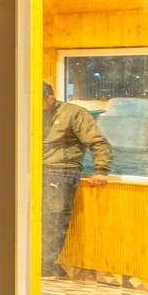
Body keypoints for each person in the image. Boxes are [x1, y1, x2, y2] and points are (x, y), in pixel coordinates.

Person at [42, 81, 111, 276]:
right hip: (33, 171)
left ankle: (45, 266)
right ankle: (33, 262)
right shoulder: (28, 113)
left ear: (50, 98)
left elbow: (99, 143)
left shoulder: (74, 113)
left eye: (39, 103)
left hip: (61, 171)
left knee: (53, 219)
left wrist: (101, 170)